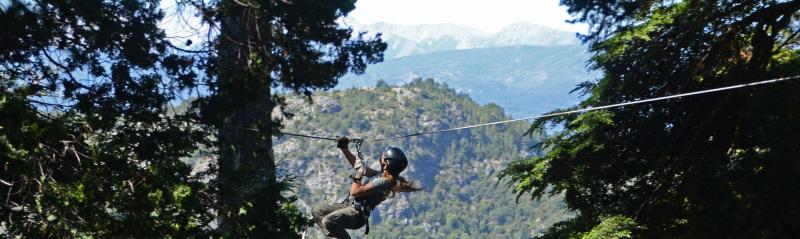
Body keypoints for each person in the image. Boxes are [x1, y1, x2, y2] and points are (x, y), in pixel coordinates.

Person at [312, 136, 421, 239]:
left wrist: (358, 175)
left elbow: (355, 192)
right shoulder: (380, 176)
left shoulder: (383, 182)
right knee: (318, 211)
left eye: (382, 157)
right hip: (349, 207)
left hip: (356, 215)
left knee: (329, 220)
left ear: (386, 163)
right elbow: (359, 166)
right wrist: (344, 149)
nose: (380, 158)